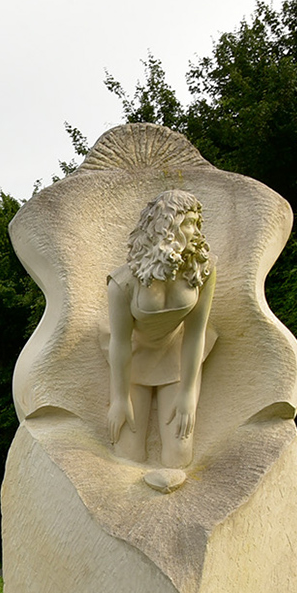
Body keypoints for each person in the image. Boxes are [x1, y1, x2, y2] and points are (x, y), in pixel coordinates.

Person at [106, 188, 215, 475]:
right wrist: (119, 398)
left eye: (195, 223)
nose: (195, 231)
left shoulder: (201, 272)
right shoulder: (123, 283)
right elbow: (119, 343)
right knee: (128, 454)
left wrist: (189, 394)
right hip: (135, 359)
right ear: (166, 227)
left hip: (177, 358)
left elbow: (195, 334)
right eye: (187, 223)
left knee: (178, 456)